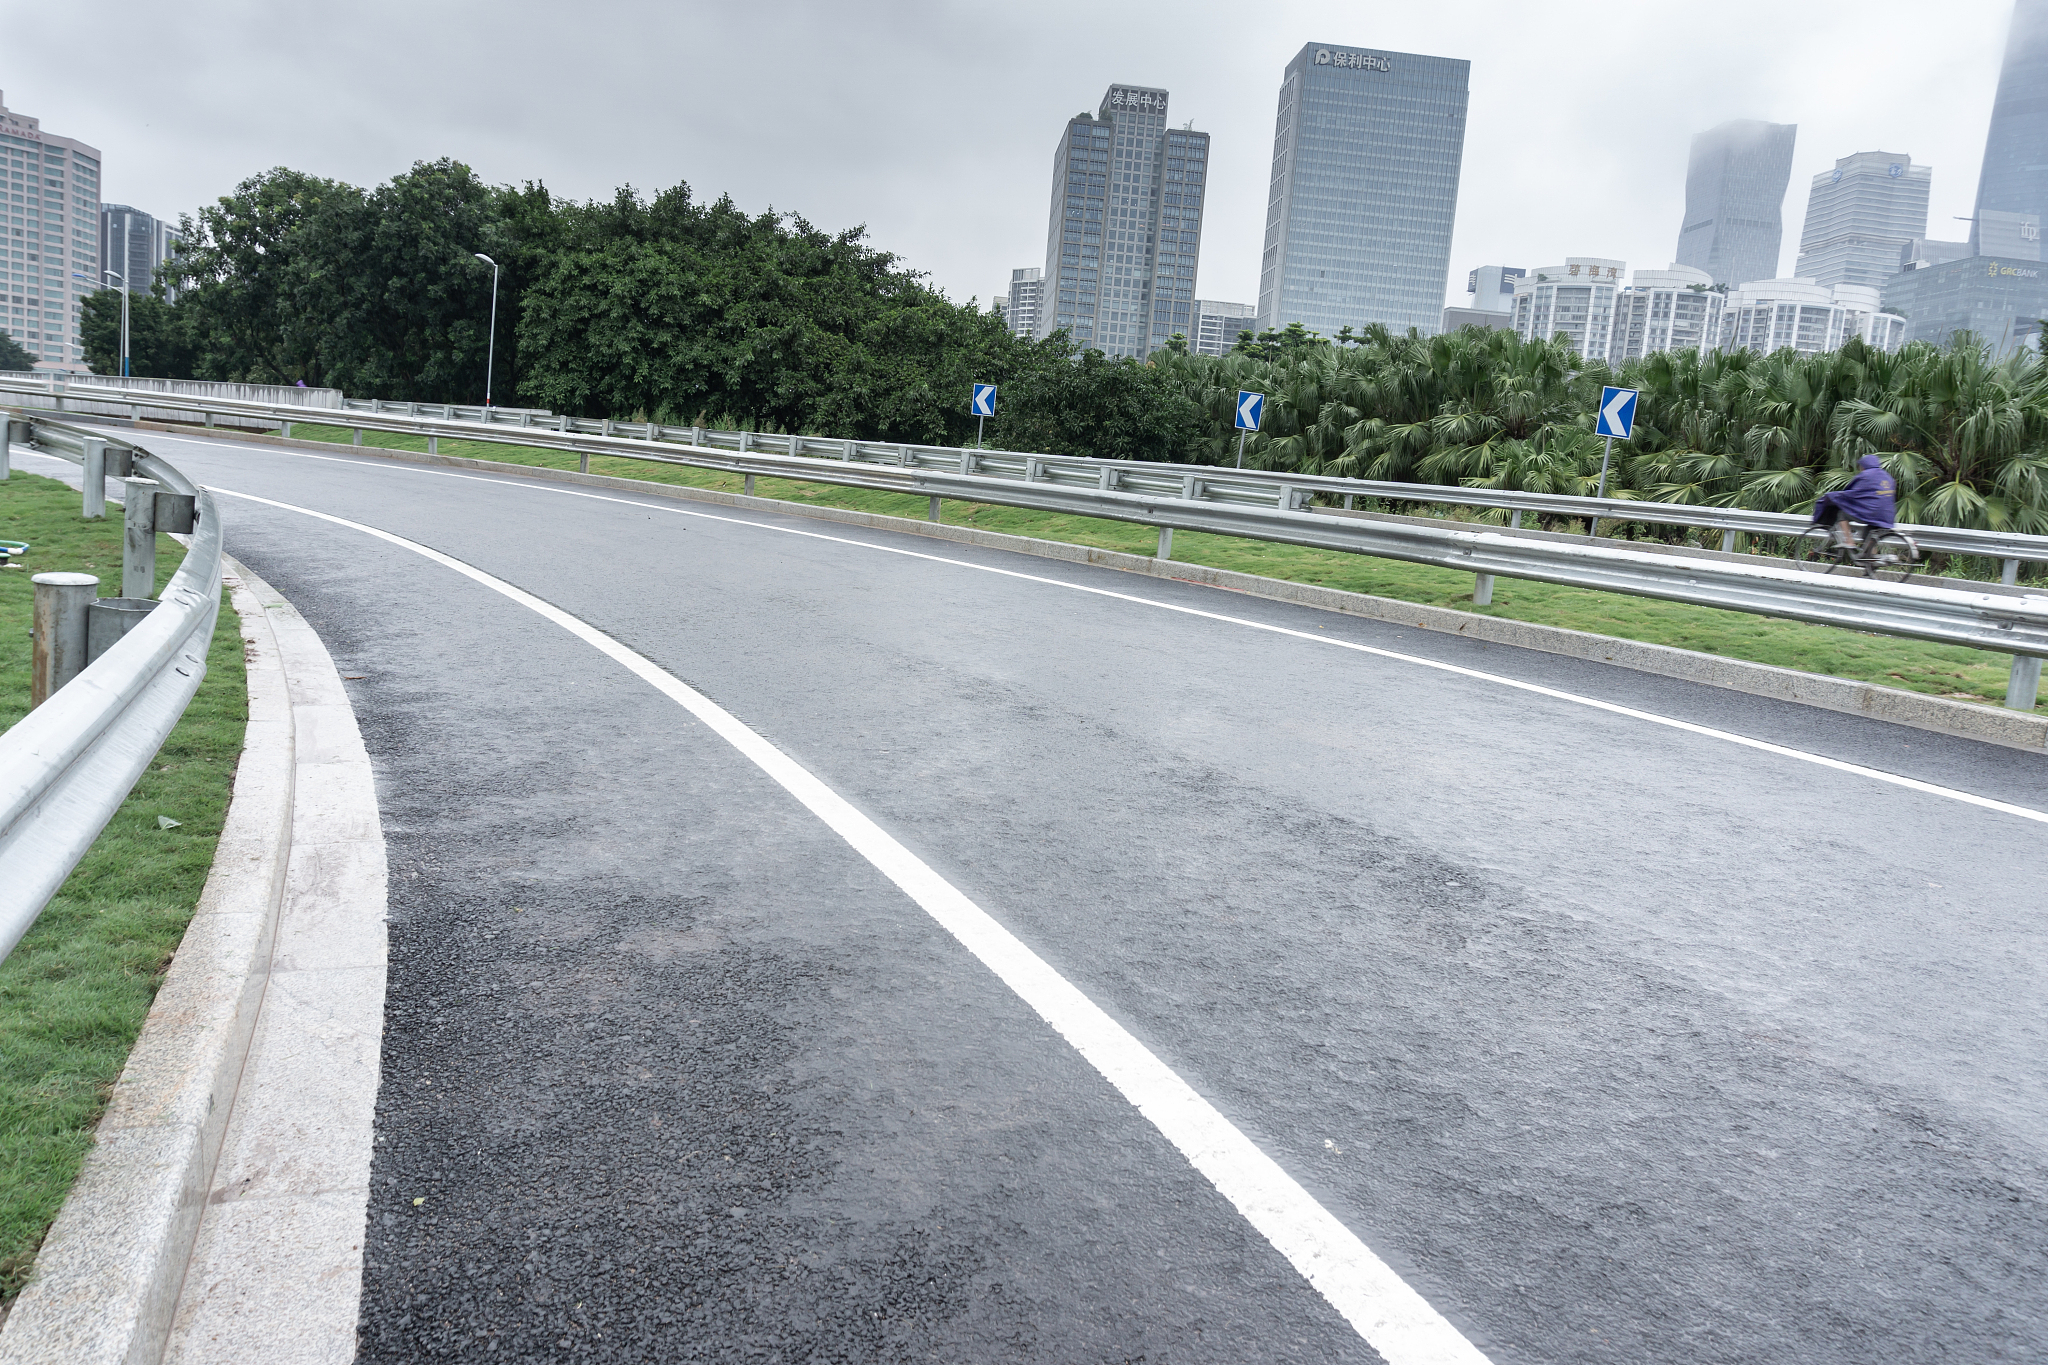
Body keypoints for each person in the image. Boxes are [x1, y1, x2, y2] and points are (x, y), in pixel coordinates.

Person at [1810, 454, 1897, 549]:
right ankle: (1871, 561)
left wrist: (1833, 496)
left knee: (1842, 514)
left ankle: (1849, 541)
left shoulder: (1865, 475)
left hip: (1872, 513)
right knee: (1868, 537)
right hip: (1887, 515)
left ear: (1863, 466)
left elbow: (1852, 493)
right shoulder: (1887, 476)